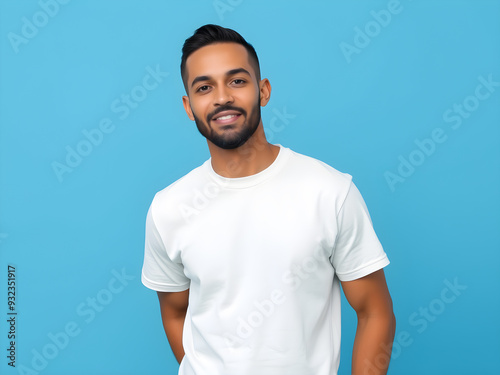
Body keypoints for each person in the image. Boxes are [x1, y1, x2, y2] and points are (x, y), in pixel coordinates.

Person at [141, 24, 396, 375]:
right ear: (189, 106)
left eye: (237, 81)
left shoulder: (330, 192)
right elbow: (174, 312)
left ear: (263, 91)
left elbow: (375, 312)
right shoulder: (169, 207)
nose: (221, 98)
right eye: (204, 87)